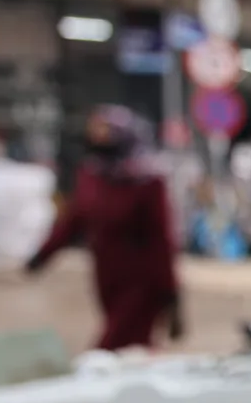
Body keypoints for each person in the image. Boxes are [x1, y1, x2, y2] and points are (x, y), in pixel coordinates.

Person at [25, 105, 181, 350]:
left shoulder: (148, 180)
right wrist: (41, 256)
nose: (97, 136)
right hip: (107, 278)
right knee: (131, 350)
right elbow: (73, 221)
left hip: (141, 280)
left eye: (104, 130)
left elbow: (161, 238)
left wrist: (170, 290)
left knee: (111, 347)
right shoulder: (92, 174)